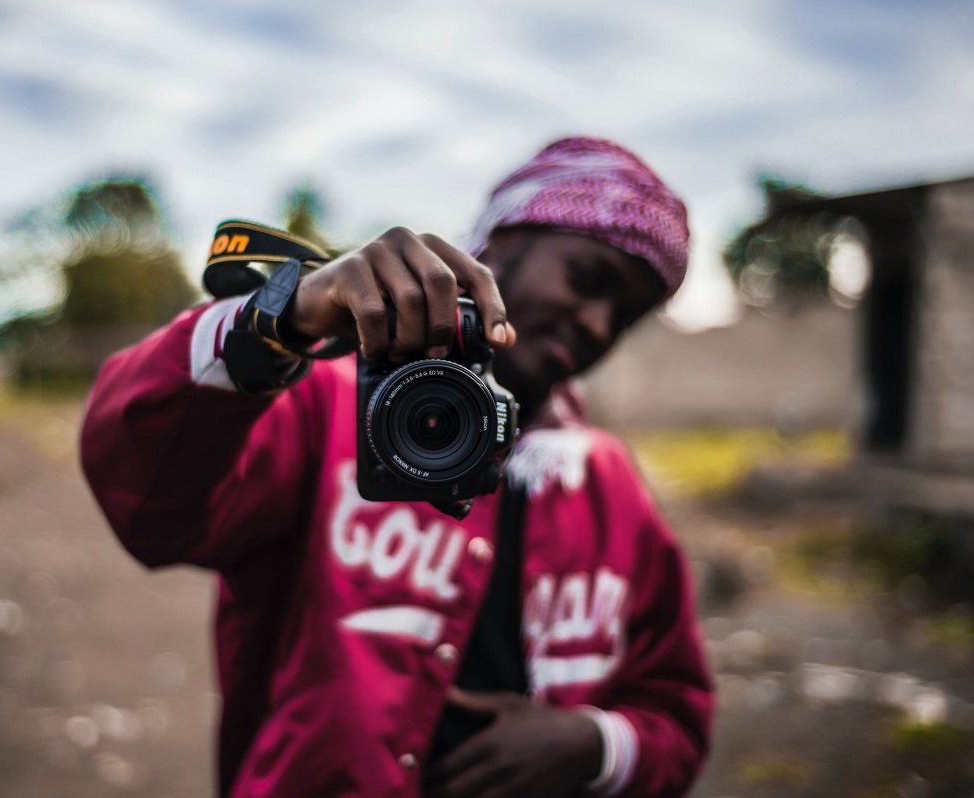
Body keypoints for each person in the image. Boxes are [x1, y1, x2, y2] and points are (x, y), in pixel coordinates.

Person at [81, 136, 713, 797]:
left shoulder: (610, 486)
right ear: (497, 246)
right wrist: (278, 324)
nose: (596, 322)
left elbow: (677, 708)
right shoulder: (321, 402)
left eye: (625, 316)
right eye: (588, 280)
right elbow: (151, 508)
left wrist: (595, 744)